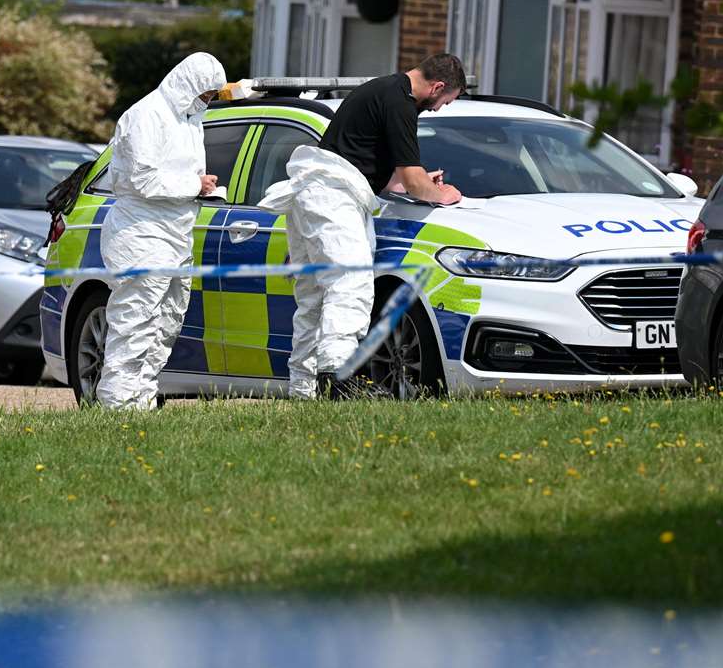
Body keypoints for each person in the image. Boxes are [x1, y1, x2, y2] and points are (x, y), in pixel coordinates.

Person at [261, 54, 466, 398]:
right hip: (332, 199)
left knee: (315, 295)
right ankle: (339, 380)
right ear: (438, 87)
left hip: (316, 194)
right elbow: (415, 184)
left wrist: (415, 182)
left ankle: (304, 387)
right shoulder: (401, 103)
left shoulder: (381, 89)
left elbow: (370, 167)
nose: (440, 108)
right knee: (350, 283)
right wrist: (441, 194)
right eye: (446, 100)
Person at [95, 52, 228, 410]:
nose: (208, 102)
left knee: (167, 319)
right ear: (188, 85)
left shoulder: (188, 118)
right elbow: (143, 179)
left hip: (176, 234)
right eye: (206, 95)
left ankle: (141, 400)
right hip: (140, 233)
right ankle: (117, 405)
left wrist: (201, 188)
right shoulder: (145, 116)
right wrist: (195, 185)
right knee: (135, 320)